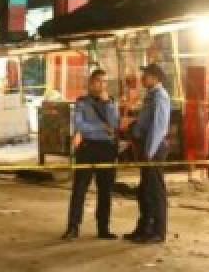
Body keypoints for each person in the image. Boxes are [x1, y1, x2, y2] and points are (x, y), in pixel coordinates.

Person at [63, 68, 120, 240]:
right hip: (87, 149)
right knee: (79, 189)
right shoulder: (82, 102)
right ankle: (73, 227)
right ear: (91, 83)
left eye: (104, 82)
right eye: (98, 81)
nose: (102, 85)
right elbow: (81, 126)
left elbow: (115, 124)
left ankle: (103, 228)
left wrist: (108, 105)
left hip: (106, 150)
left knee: (105, 190)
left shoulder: (111, 102)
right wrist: (102, 128)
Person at [124, 63, 172, 244]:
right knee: (144, 190)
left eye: (146, 75)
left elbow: (159, 127)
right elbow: (146, 121)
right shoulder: (150, 96)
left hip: (154, 148)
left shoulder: (160, 97)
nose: (142, 77)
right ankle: (144, 228)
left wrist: (149, 152)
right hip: (147, 147)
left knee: (155, 191)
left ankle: (158, 232)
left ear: (156, 78)